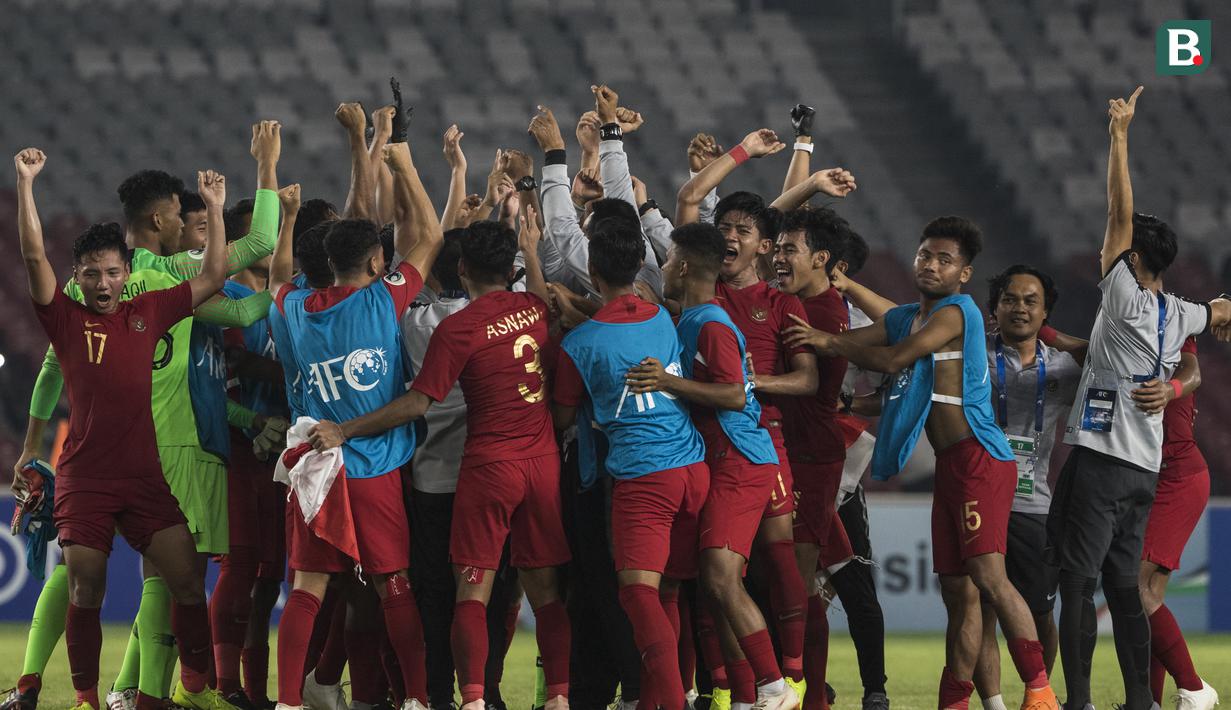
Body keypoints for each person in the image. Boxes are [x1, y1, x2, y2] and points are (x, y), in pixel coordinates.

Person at [784, 216, 1059, 710]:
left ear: (963, 274)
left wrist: (824, 340)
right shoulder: (915, 315)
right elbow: (885, 323)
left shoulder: (959, 313)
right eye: (925, 255)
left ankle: (1040, 692)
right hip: (952, 467)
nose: (931, 265)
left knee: (990, 578)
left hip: (980, 458)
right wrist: (842, 288)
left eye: (945, 259)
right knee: (958, 592)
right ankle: (958, 702)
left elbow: (890, 358)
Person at [308, 211, 572, 710]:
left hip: (488, 467)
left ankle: (469, 699)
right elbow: (542, 296)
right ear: (510, 268)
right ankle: (558, 698)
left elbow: (417, 402)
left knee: (469, 593)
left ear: (465, 268)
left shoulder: (458, 328)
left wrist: (345, 428)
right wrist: (532, 250)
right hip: (542, 466)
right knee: (544, 591)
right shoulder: (534, 309)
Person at [13, 146, 234, 710]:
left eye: (113, 272)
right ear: (78, 278)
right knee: (87, 585)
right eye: (92, 274)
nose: (104, 282)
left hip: (145, 476)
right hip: (86, 476)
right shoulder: (64, 317)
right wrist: (26, 185)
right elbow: (33, 253)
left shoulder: (152, 309)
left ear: (127, 273)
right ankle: (87, 698)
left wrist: (212, 206)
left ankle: (194, 686)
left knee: (186, 581)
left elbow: (215, 273)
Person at [1044, 86, 1231, 710]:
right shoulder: (1179, 313)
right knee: (1124, 587)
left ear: (1136, 256)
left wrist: (1119, 137)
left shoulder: (1123, 293)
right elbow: (1219, 311)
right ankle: (1139, 702)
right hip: (1145, 472)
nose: (1113, 246)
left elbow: (1116, 215)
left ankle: (1077, 702)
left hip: (1101, 462)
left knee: (1075, 581)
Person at [268, 139, 439, 710]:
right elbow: (432, 237)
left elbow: (277, 280)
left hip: (316, 470)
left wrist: (290, 219)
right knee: (393, 585)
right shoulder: (381, 302)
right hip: (372, 468)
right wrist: (404, 164)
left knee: (309, 591)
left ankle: (289, 703)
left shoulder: (296, 307)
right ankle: (415, 699)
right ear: (373, 264)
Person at [550, 217, 735, 710]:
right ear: (639, 266)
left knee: (636, 596)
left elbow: (564, 414)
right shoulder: (660, 317)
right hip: (693, 468)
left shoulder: (579, 345)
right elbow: (623, 317)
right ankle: (660, 699)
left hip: (642, 477)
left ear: (591, 267)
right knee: (669, 593)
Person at [625, 221, 794, 710]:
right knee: (713, 584)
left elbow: (735, 395)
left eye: (666, 260)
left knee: (721, 579)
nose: (663, 268)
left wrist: (667, 383)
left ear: (680, 265)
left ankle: (774, 687)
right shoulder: (696, 318)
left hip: (738, 458)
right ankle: (745, 696)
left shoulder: (713, 325)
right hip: (720, 460)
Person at [971, 266, 1081, 710]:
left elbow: (1108, 357)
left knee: (1039, 612)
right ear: (994, 310)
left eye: (1031, 301)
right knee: (981, 611)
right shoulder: (974, 355)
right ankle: (995, 704)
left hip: (1034, 505)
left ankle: (1038, 695)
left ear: (1046, 311)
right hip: (979, 498)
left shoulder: (1065, 368)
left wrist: (1054, 336)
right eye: (1010, 300)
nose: (1020, 308)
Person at [772, 207, 859, 710]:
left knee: (798, 585)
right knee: (792, 582)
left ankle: (808, 695)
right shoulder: (809, 302)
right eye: (778, 247)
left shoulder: (818, 312)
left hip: (809, 456)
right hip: (794, 453)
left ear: (821, 258)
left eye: (789, 250)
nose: (778, 258)